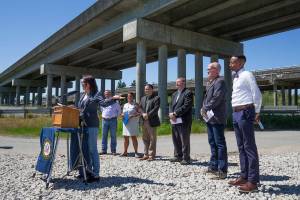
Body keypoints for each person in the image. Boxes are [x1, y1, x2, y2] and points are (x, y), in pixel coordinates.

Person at [77, 75, 122, 182]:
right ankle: (87, 170)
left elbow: (104, 103)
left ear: (89, 84)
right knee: (85, 150)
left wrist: (113, 99)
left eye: (83, 83)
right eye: (82, 84)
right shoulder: (83, 95)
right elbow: (81, 108)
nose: (82, 85)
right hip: (82, 125)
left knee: (92, 149)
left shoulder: (96, 94)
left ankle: (96, 174)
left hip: (92, 125)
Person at [228, 55, 262, 193]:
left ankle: (253, 181)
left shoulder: (247, 74)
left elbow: (256, 93)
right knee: (241, 146)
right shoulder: (235, 77)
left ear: (241, 62)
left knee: (249, 146)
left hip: (245, 111)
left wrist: (257, 111)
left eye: (232, 62)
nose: (230, 64)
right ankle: (244, 176)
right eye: (230, 62)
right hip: (236, 113)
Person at [201, 62, 228, 179]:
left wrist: (205, 108)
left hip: (217, 117)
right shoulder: (210, 83)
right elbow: (206, 99)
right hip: (210, 118)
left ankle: (222, 170)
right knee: (212, 142)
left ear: (217, 70)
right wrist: (203, 108)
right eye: (207, 69)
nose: (207, 71)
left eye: (209, 69)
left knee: (219, 143)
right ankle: (213, 166)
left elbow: (217, 98)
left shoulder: (220, 82)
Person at [169, 77, 193, 165]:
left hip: (184, 120)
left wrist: (175, 114)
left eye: (178, 82)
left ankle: (186, 158)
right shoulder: (174, 94)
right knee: (175, 138)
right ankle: (177, 156)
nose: (176, 84)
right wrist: (171, 114)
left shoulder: (188, 93)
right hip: (174, 120)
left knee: (184, 139)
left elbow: (187, 106)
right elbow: (171, 105)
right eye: (176, 82)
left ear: (183, 83)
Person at [139, 84, 160, 161]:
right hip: (143, 121)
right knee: (145, 138)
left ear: (152, 89)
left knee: (152, 138)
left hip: (152, 121)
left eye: (148, 89)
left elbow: (156, 109)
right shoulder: (143, 98)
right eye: (145, 89)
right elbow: (140, 108)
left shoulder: (156, 98)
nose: (146, 90)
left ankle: (151, 155)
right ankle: (145, 154)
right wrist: (143, 114)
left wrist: (147, 115)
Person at [100, 90, 121, 155]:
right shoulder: (103, 102)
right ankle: (104, 150)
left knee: (113, 136)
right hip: (104, 120)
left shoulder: (115, 103)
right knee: (104, 135)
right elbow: (102, 110)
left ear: (111, 94)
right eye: (106, 93)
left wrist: (114, 117)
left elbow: (119, 111)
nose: (107, 94)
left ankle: (113, 150)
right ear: (104, 95)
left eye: (108, 93)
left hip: (113, 120)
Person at [120, 92, 141, 158]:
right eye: (128, 96)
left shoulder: (136, 105)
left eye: (130, 96)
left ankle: (136, 152)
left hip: (133, 123)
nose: (129, 97)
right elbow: (123, 113)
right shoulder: (125, 105)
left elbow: (140, 113)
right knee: (125, 138)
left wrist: (132, 115)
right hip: (126, 123)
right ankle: (125, 152)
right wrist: (122, 115)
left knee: (133, 137)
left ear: (133, 97)